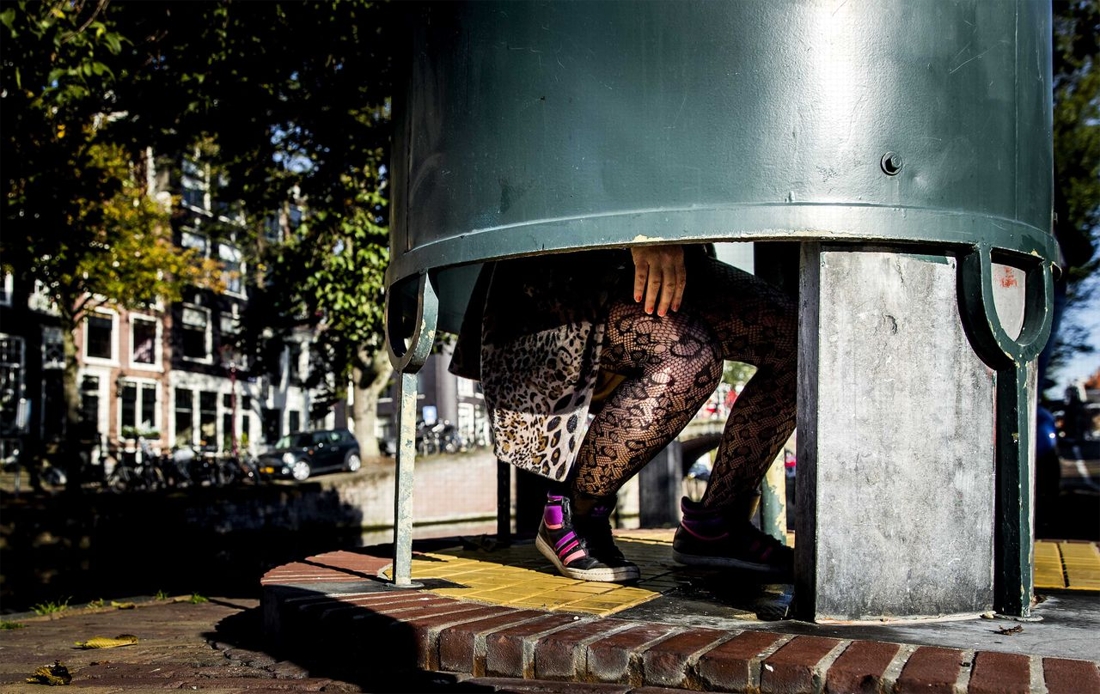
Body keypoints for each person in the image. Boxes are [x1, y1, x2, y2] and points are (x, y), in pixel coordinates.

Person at [450, 243, 797, 582]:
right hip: (567, 262)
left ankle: (718, 523)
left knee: (802, 340)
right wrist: (644, 233)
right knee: (687, 357)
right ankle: (574, 515)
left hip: (678, 259)